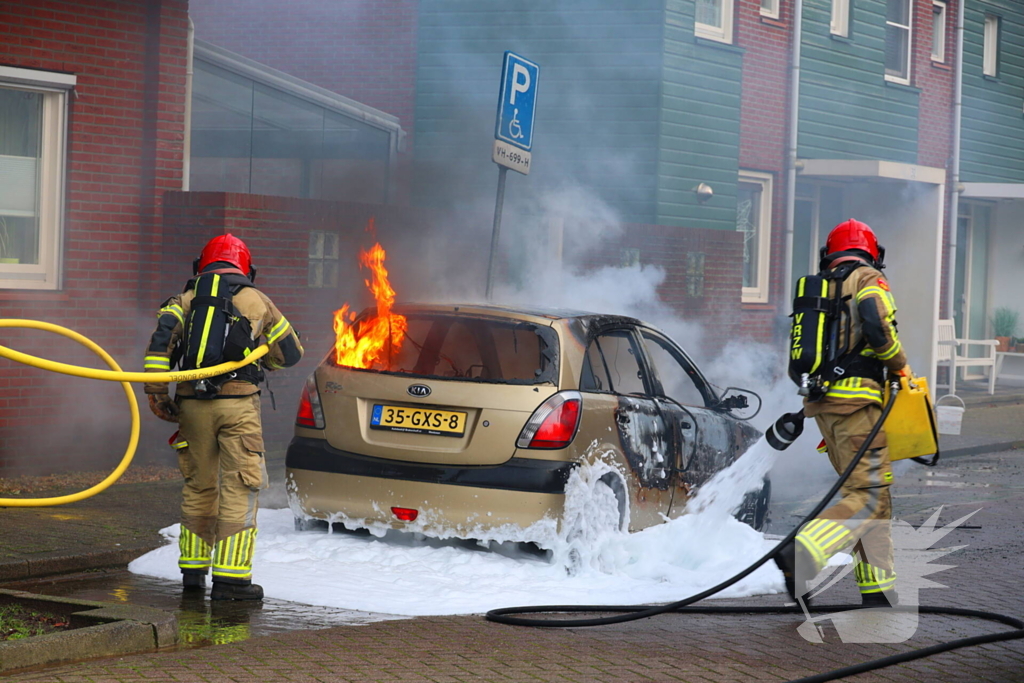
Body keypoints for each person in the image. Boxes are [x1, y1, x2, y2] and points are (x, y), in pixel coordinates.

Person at [145, 234, 303, 600]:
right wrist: (258, 353)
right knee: (239, 486)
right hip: (237, 408)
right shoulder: (256, 299)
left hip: (191, 406)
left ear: (202, 265)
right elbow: (289, 354)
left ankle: (193, 574)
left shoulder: (183, 300)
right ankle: (232, 581)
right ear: (245, 267)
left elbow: (158, 349)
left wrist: (157, 396)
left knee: (199, 487)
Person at [775, 219, 908, 607]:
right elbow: (876, 323)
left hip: (825, 406)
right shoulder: (867, 279)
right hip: (856, 405)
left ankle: (877, 589)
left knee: (872, 495)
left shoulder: (823, 286)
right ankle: (802, 554)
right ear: (872, 253)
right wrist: (898, 364)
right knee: (866, 496)